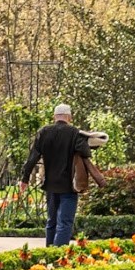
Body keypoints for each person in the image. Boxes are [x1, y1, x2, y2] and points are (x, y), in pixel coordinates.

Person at [19, 104, 94, 246]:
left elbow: (32, 157)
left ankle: (48, 252)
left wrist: (25, 178)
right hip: (68, 186)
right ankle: (59, 256)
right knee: (65, 222)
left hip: (50, 185)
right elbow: (85, 153)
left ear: (54, 117)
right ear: (69, 117)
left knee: (51, 221)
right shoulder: (75, 133)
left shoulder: (44, 132)